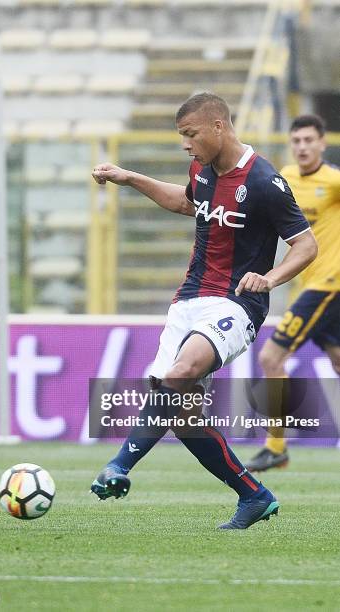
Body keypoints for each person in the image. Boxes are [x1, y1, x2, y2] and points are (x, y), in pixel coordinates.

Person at [90, 93, 317, 529]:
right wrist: (128, 177)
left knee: (178, 375)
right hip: (188, 299)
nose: (185, 146)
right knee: (182, 410)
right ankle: (253, 495)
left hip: (237, 303)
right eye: (182, 137)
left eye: (190, 135)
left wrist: (269, 279)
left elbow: (306, 245)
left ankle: (118, 466)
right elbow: (184, 202)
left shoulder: (266, 181)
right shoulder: (202, 169)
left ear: (218, 127)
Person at [247, 114, 340, 472]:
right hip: (310, 285)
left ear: (322, 144)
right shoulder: (283, 179)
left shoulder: (333, 182)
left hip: (328, 287)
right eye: (296, 141)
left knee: (271, 358)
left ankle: (276, 447)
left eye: (308, 140)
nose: (302, 147)